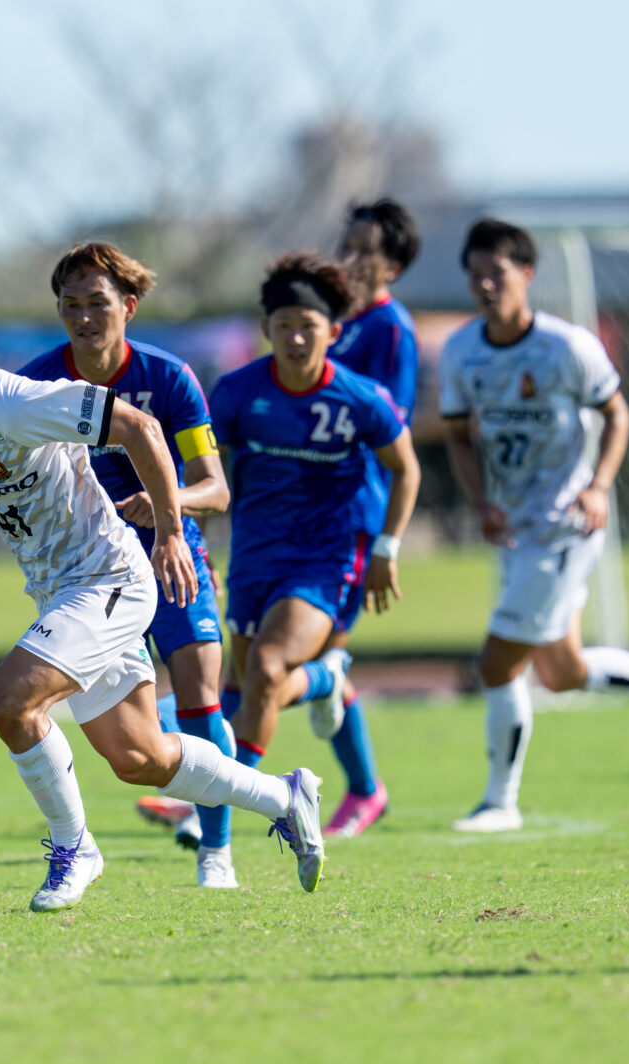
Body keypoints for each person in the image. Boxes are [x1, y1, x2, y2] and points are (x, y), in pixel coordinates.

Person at [0, 259, 325, 910]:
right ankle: (285, 796)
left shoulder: (14, 401)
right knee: (140, 757)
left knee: (9, 702)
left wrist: (168, 531)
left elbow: (140, 428)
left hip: (109, 578)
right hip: (63, 593)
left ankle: (75, 850)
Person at [439, 219, 629, 833]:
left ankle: (500, 802)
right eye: (475, 274)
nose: (484, 284)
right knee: (563, 673)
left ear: (527, 275)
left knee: (497, 663)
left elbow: (618, 414)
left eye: (497, 273)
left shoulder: (567, 347)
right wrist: (481, 502)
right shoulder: (460, 350)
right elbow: (457, 435)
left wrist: (599, 485)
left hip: (566, 525)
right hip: (514, 530)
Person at [18, 242, 239, 889]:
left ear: (129, 307)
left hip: (170, 554)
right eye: (71, 305)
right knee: (126, 735)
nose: (84, 317)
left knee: (200, 696)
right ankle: (81, 840)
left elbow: (216, 489)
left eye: (98, 303)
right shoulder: (39, 384)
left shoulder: (168, 378)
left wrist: (167, 511)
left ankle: (216, 853)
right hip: (90, 570)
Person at [209, 252, 421, 857]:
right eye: (284, 326)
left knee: (268, 667)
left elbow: (407, 469)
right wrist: (190, 545)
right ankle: (328, 680)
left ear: (333, 331)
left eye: (308, 326)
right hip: (254, 555)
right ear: (266, 329)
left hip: (328, 558)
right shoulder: (237, 393)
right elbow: (200, 470)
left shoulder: (360, 397)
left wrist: (387, 548)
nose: (296, 338)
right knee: (241, 683)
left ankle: (218, 806)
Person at [274, 198, 423, 839]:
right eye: (349, 245)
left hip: (351, 517)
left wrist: (388, 540)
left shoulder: (392, 331)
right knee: (294, 656)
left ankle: (205, 785)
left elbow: (390, 428)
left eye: (368, 250)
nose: (353, 258)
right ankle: (363, 787)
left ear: (394, 265)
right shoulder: (330, 319)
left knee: (289, 658)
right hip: (297, 514)